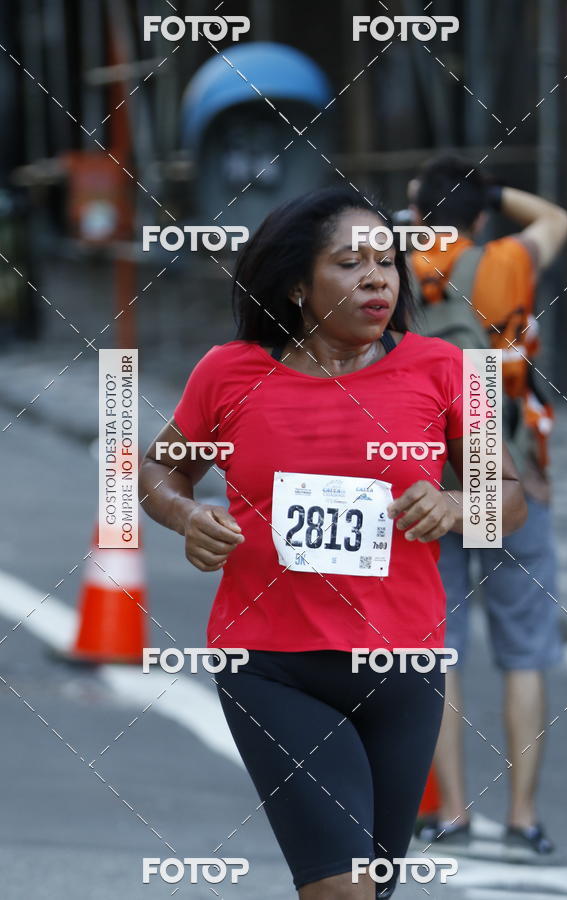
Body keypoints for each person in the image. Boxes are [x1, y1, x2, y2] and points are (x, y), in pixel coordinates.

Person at [140, 186, 527, 898]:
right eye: (350, 263)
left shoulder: (446, 369)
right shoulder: (227, 373)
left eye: (386, 262)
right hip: (270, 664)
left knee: (373, 887)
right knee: (340, 887)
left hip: (402, 663)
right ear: (295, 286)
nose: (377, 277)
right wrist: (185, 516)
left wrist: (455, 502)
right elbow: (159, 469)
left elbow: (508, 496)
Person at [406, 155, 567, 858]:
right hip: (512, 475)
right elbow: (558, 218)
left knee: (439, 650)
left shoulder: (398, 265)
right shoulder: (507, 256)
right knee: (525, 650)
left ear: (419, 213)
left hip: (430, 475)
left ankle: (452, 814)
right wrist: (491, 192)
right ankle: (524, 816)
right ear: (478, 215)